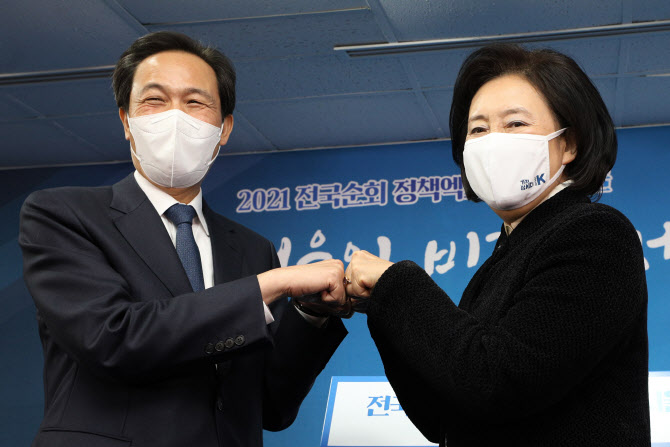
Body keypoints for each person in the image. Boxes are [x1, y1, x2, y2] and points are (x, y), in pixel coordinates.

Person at [19, 31, 349, 447]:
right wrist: (270, 285)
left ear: (224, 128)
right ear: (126, 121)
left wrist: (309, 314)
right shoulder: (63, 214)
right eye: (154, 100)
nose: (175, 116)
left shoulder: (252, 249)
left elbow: (270, 405)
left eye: (195, 102)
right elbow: (112, 340)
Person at [345, 44, 650, 446]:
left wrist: (396, 282)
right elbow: (442, 416)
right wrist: (382, 302)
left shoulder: (595, 233)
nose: (493, 143)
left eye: (515, 123)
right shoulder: (501, 258)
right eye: (478, 130)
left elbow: (498, 383)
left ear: (569, 144)